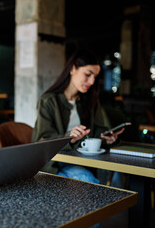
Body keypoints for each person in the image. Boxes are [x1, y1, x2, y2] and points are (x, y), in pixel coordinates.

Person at [31, 48, 124, 183]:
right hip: (54, 163)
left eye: (95, 77)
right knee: (87, 181)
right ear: (73, 69)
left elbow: (98, 130)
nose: (92, 82)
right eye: (88, 74)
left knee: (115, 178)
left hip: (82, 160)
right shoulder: (49, 101)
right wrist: (69, 138)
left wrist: (107, 137)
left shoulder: (90, 100)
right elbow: (42, 141)